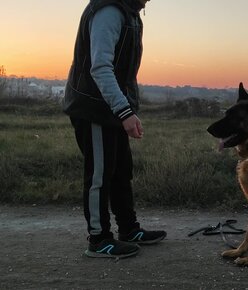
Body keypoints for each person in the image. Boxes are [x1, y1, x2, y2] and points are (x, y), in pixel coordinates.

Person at [63, 0, 166, 258]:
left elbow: (125, 72)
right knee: (100, 175)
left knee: (121, 170)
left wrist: (128, 108)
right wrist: (124, 111)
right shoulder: (109, 11)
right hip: (94, 107)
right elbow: (100, 67)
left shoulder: (129, 13)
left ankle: (129, 229)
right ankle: (98, 240)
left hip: (111, 107)